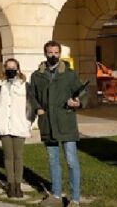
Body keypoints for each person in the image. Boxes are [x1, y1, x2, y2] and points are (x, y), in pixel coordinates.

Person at [30, 40, 87, 207]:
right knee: (52, 160)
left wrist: (78, 102)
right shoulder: (37, 75)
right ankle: (55, 196)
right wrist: (38, 109)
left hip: (66, 122)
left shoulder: (69, 74)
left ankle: (74, 199)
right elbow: (32, 96)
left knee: (71, 161)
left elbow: (82, 92)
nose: (53, 55)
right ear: (45, 53)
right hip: (47, 123)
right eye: (50, 52)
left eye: (56, 52)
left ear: (60, 54)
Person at [0, 58, 35, 198]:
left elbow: (31, 106)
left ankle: (18, 185)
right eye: (8, 67)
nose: (11, 70)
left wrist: (28, 123)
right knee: (8, 156)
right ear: (4, 69)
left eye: (13, 67)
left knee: (18, 156)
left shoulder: (25, 85)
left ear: (18, 69)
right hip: (4, 125)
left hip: (20, 125)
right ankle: (11, 185)